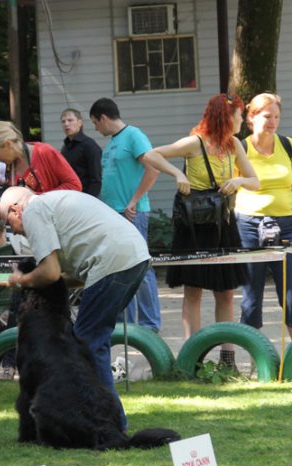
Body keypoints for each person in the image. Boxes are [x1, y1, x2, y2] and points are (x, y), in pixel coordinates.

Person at [0, 187, 152, 431]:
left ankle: (106, 423)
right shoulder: (55, 203)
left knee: (87, 345)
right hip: (135, 257)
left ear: (15, 210)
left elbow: (49, 273)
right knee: (93, 342)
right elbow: (62, 276)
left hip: (113, 262)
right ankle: (107, 419)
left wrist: (20, 280)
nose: (16, 231)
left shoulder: (34, 210)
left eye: (10, 224)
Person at [151, 93, 260, 366]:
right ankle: (193, 360)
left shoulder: (234, 145)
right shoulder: (193, 143)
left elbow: (255, 181)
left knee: (225, 292)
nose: (242, 122)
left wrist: (237, 180)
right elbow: (153, 155)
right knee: (194, 291)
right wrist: (177, 174)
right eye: (238, 116)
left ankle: (227, 358)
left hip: (223, 224)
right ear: (226, 116)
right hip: (194, 226)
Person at [89, 98, 187, 332]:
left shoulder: (134, 135)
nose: (96, 129)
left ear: (103, 118)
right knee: (119, 268)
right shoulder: (113, 143)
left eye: (95, 123)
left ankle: (149, 325)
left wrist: (133, 200)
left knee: (140, 268)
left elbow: (152, 168)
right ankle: (126, 325)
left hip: (132, 213)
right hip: (112, 214)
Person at [235, 93, 292, 342]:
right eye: (267, 116)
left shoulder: (290, 146)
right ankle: (256, 361)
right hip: (249, 225)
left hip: (287, 226)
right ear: (251, 118)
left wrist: (288, 212)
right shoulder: (240, 147)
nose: (273, 121)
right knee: (252, 295)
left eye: (277, 116)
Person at [0, 120, 82, 193]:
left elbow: (75, 185)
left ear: (8, 144)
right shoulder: (10, 165)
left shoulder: (44, 152)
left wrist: (39, 199)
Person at [60, 108, 102, 197]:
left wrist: (89, 201)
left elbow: (96, 179)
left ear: (80, 123)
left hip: (86, 198)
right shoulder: (65, 148)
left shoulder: (89, 145)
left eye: (70, 120)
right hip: (69, 197)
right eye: (63, 121)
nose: (66, 124)